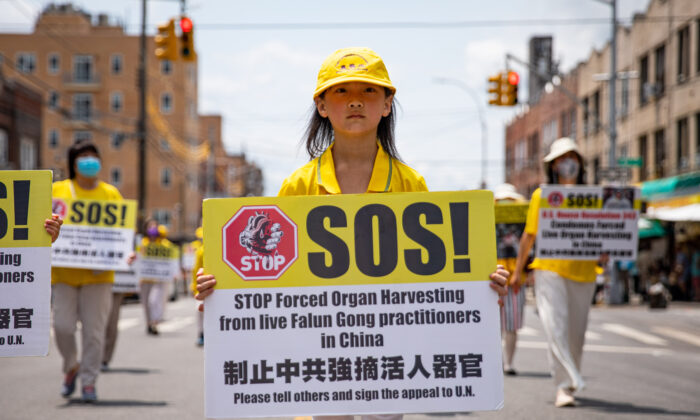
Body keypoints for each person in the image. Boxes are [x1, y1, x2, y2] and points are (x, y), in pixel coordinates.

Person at [195, 47, 510, 420]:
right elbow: (266, 276)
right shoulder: (297, 186)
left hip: (390, 353)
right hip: (319, 353)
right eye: (341, 91)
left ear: (388, 104)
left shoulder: (412, 184)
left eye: (369, 91)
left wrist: (483, 287)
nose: (356, 101)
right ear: (322, 105)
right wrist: (220, 292)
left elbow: (442, 280)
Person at [511, 137, 599, 408]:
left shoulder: (594, 197)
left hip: (584, 273)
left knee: (576, 334)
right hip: (549, 271)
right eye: (562, 159)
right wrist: (518, 272)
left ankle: (572, 380)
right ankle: (563, 385)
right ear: (554, 165)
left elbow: (600, 233)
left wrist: (606, 251)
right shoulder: (542, 196)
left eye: (572, 157)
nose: (567, 163)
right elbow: (529, 235)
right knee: (555, 327)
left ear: (580, 164)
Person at [52, 139, 124, 402]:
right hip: (63, 274)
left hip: (99, 276)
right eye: (83, 156)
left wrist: (126, 251)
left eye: (93, 156)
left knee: (95, 332)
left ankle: (89, 381)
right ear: (73, 162)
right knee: (62, 327)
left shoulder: (110, 194)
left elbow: (122, 233)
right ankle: (71, 365)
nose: (89, 161)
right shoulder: (57, 191)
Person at [493, 183, 527, 376]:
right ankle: (495, 360)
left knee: (512, 325)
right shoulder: (487, 218)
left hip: (515, 279)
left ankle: (509, 362)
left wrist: (523, 273)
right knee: (492, 325)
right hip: (492, 278)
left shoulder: (523, 221)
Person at [139, 221, 173, 335]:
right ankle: (149, 324)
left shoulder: (163, 244)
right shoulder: (143, 243)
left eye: (154, 226)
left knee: (153, 301)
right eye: (150, 226)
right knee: (145, 303)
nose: (152, 229)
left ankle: (154, 322)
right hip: (145, 279)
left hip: (158, 279)